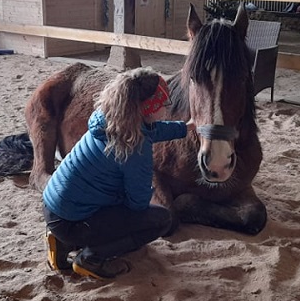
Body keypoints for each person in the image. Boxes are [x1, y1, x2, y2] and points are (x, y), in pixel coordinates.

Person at [42, 67, 194, 280]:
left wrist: (186, 128)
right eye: (163, 104)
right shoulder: (134, 150)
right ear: (148, 109)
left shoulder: (109, 119)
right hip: (73, 222)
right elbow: (138, 204)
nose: (166, 109)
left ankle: (61, 242)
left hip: (53, 208)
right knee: (160, 219)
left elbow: (151, 130)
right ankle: (91, 258)